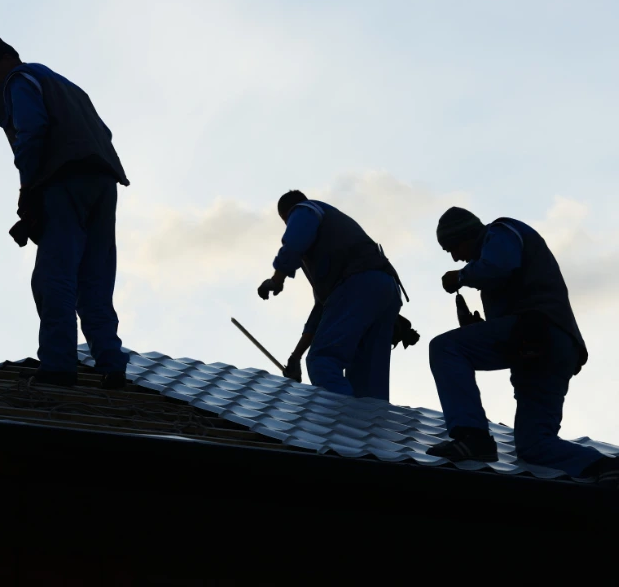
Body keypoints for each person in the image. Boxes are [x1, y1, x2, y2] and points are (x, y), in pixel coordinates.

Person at [0, 35, 129, 389]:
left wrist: (28, 189)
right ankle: (112, 365)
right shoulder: (66, 86)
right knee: (94, 280)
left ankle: (59, 366)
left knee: (53, 277)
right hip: (103, 184)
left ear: (4, 60)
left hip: (65, 181)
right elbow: (103, 131)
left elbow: (31, 131)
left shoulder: (21, 80)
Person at [427, 206, 619, 487]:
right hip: (547, 348)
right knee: (534, 445)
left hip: (540, 333)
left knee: (445, 348)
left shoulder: (501, 231)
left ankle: (472, 437)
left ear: (467, 234)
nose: (456, 256)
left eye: (453, 248)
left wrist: (461, 276)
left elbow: (500, 265)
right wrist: (476, 329)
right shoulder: (498, 252)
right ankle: (605, 466)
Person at [257, 190, 411, 400]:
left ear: (286, 217)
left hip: (358, 285)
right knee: (367, 384)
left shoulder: (306, 210)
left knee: (322, 360)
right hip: (383, 289)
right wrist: (296, 355)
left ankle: (343, 425)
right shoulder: (332, 239)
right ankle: (370, 428)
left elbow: (294, 241)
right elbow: (323, 310)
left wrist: (277, 279)